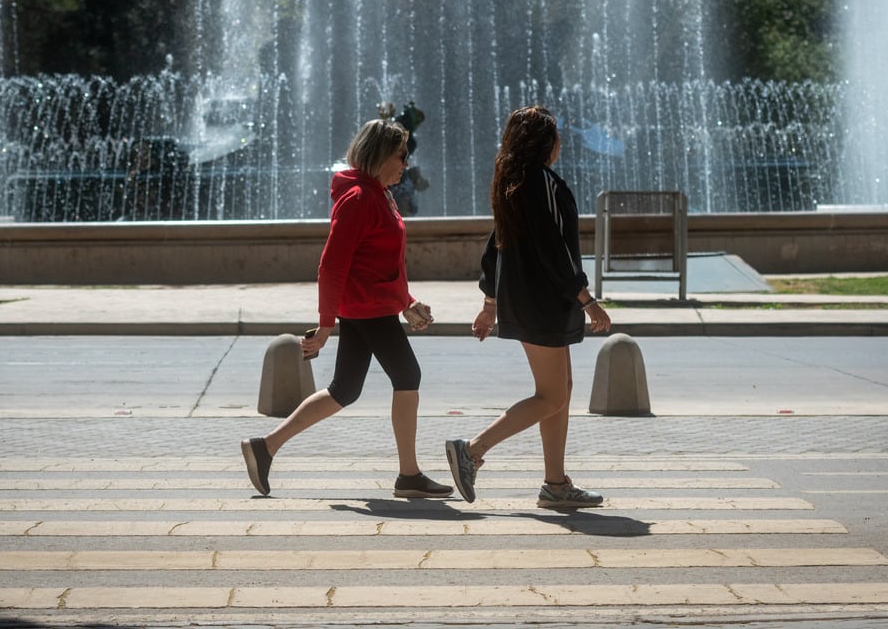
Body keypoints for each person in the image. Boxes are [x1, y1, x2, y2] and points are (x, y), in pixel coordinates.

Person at [242, 119, 453, 499]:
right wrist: (325, 325)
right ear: (380, 155)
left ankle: (265, 446)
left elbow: (381, 261)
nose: (406, 163)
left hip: (372, 306)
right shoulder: (358, 199)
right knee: (408, 375)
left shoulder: (379, 195)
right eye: (400, 155)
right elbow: (332, 266)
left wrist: (407, 302)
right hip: (366, 308)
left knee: (345, 389)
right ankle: (409, 475)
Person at [445, 105, 612, 509]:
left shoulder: (513, 183)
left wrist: (489, 304)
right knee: (552, 395)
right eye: (556, 137)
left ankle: (556, 485)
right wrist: (586, 299)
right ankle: (472, 451)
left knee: (559, 392)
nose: (560, 144)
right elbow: (557, 250)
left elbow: (495, 247)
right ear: (545, 143)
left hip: (528, 301)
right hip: (545, 302)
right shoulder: (543, 184)